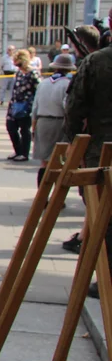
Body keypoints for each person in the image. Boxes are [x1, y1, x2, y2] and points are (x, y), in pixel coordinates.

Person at [65, 40, 112, 298]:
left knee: (104, 218)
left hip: (101, 152)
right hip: (100, 150)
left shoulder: (97, 61)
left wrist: (73, 144)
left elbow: (75, 107)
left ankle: (107, 279)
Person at [32, 54, 75, 184]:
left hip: (42, 122)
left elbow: (35, 108)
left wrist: (34, 127)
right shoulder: (67, 84)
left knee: (44, 162)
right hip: (58, 122)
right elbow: (67, 107)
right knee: (58, 161)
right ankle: (57, 199)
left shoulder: (43, 83)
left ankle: (42, 198)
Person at [6, 50, 40, 162]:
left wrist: (34, 106)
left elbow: (38, 90)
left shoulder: (33, 73)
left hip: (26, 106)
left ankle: (24, 153)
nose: (18, 67)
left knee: (24, 129)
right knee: (11, 127)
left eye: (19, 64)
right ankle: (17, 150)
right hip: (14, 104)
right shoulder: (19, 73)